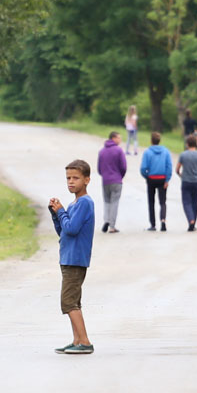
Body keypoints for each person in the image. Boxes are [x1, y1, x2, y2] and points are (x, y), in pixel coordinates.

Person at [48, 159, 96, 355]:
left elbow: (73, 228)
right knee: (73, 301)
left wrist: (61, 212)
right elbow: (64, 231)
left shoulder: (85, 202)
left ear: (87, 180)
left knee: (68, 302)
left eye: (76, 178)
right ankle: (76, 340)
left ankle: (85, 341)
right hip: (68, 257)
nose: (71, 182)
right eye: (68, 178)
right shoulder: (74, 203)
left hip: (75, 258)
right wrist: (55, 214)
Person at [139, 131, 173, 231]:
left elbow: (143, 168)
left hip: (151, 179)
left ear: (151, 141)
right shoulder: (166, 151)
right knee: (162, 201)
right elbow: (169, 166)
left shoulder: (147, 152)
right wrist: (167, 179)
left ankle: (153, 224)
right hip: (162, 178)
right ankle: (163, 221)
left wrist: (147, 176)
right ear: (159, 140)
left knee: (151, 202)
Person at [97, 131, 127, 233]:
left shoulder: (102, 151)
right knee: (115, 202)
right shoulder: (119, 151)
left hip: (105, 180)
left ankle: (106, 220)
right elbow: (123, 166)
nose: (120, 140)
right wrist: (120, 176)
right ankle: (112, 225)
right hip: (116, 180)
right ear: (113, 138)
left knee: (107, 202)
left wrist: (104, 175)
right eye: (119, 138)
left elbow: (99, 168)